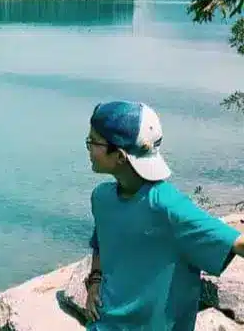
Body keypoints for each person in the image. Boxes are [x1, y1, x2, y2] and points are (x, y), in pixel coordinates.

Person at [84, 100, 244, 330]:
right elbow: (100, 240)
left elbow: (238, 243)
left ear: (119, 155)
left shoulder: (168, 206)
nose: (88, 147)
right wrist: (95, 279)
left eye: (93, 141)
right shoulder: (101, 198)